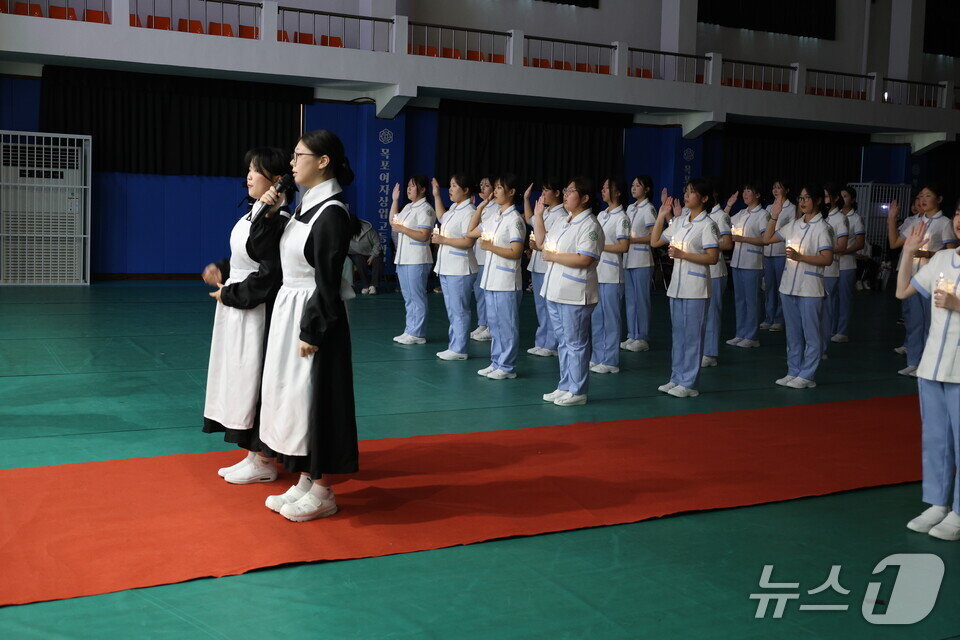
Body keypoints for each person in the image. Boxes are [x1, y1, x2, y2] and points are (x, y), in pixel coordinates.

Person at [253, 129, 360, 522]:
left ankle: (324, 489)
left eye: (300, 156)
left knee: (318, 400)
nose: (292, 163)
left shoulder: (332, 212)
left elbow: (327, 280)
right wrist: (267, 211)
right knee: (293, 398)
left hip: (316, 315)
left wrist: (313, 331)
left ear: (323, 161)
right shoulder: (302, 206)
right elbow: (268, 254)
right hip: (290, 308)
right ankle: (304, 478)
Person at [202, 147, 292, 484]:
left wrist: (232, 293)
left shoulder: (278, 219)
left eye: (257, 170)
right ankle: (252, 454)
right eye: (250, 170)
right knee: (240, 377)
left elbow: (269, 273)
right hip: (236, 309)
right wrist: (221, 269)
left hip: (257, 311)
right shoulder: (252, 214)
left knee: (257, 380)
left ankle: (264, 458)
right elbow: (244, 258)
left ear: (276, 179)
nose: (249, 176)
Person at [895, 215, 960, 541]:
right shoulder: (943, 259)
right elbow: (903, 291)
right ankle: (937, 503)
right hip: (933, 366)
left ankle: (958, 511)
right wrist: (908, 252)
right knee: (936, 440)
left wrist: (958, 304)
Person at [535, 177, 603, 406]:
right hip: (555, 289)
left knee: (576, 343)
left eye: (572, 191)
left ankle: (578, 390)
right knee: (564, 342)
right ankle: (565, 385)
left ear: (584, 198)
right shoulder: (563, 221)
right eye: (566, 190)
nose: (566, 194)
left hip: (575, 292)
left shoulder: (590, 225)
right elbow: (544, 243)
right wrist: (537, 217)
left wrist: (553, 257)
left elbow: (585, 258)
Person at [651, 179, 720, 398]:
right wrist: (662, 215)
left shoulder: (708, 225)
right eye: (686, 191)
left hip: (696, 287)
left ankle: (689, 383)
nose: (687, 195)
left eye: (692, 192)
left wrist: (684, 255)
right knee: (678, 335)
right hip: (678, 287)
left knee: (692, 337)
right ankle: (676, 377)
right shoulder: (680, 222)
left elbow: (713, 257)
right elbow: (655, 242)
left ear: (704, 198)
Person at [761, 185, 834, 389]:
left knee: (811, 334)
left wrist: (801, 257)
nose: (802, 202)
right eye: (800, 198)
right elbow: (767, 239)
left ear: (818, 200)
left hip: (810, 288)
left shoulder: (823, 228)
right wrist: (774, 217)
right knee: (792, 333)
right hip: (788, 287)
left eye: (807, 198)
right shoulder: (794, 224)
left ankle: (808, 374)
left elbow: (827, 259)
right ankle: (793, 371)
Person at [887, 185, 956, 376]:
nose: (923, 199)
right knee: (914, 321)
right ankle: (913, 361)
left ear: (939, 199)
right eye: (920, 196)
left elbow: (951, 252)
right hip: (913, 278)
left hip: (932, 279)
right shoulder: (915, 221)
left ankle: (928, 362)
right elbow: (894, 243)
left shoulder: (945, 222)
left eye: (928, 195)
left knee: (930, 322)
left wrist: (927, 253)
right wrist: (891, 218)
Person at [467, 174, 525, 379]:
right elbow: (471, 231)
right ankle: (496, 361)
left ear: (511, 192)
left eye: (500, 188)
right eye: (496, 188)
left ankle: (507, 366)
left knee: (506, 325)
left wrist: (490, 246)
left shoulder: (515, 220)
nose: (496, 191)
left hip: (506, 281)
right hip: (491, 279)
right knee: (494, 324)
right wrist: (481, 206)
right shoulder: (495, 217)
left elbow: (516, 252)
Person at [431, 174, 479, 360]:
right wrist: (436, 195)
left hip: (460, 268)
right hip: (447, 267)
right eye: (449, 186)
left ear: (465, 190)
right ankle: (454, 345)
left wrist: (444, 240)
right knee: (452, 309)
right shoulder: (454, 208)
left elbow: (468, 241)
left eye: (454, 186)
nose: (450, 189)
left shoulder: (470, 212)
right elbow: (442, 216)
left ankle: (460, 349)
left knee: (459, 309)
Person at [590, 177, 630, 374]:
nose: (604, 190)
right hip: (598, 273)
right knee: (597, 317)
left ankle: (611, 360)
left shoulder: (621, 217)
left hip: (612, 274)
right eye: (603, 187)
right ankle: (597, 355)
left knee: (611, 318)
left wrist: (600, 246)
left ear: (618, 192)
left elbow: (624, 246)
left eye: (608, 187)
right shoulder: (601, 214)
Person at [390, 175, 436, 345]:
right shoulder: (408, 207)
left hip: (417, 258)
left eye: (412, 186)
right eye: (408, 186)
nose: (409, 189)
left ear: (423, 189)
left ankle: (418, 333)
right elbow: (393, 221)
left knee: (417, 296)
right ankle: (410, 329)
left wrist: (403, 228)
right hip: (404, 257)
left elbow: (424, 235)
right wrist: (395, 200)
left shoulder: (426, 209)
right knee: (408, 296)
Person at [524, 178, 565, 357]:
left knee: (550, 307)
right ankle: (542, 341)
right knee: (540, 306)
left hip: (548, 264)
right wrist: (526, 199)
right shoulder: (546, 211)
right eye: (542, 191)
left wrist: (539, 243)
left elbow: (554, 238)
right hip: (538, 263)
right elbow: (530, 220)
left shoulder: (561, 214)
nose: (543, 194)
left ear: (557, 193)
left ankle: (551, 344)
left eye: (547, 190)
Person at [726, 182, 768, 348]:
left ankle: (752, 336)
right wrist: (729, 204)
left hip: (752, 262)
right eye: (744, 191)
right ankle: (740, 333)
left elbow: (765, 239)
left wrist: (743, 239)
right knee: (740, 300)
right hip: (737, 261)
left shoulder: (763, 215)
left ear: (757, 195)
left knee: (752, 300)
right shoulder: (742, 213)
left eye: (749, 191)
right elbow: (723, 222)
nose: (745, 194)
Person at [622, 175, 657, 352]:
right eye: (633, 185)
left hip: (642, 260)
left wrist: (633, 240)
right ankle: (632, 334)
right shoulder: (630, 207)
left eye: (638, 186)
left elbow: (654, 236)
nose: (634, 188)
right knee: (631, 299)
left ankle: (642, 337)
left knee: (641, 299)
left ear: (647, 190)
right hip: (628, 259)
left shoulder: (649, 208)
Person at [702, 178, 733, 367]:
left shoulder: (720, 216)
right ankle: (702, 348)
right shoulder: (699, 217)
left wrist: (707, 244)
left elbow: (728, 243)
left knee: (712, 312)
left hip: (715, 271)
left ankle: (710, 353)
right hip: (701, 271)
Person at [760, 180, 795, 332]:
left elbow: (791, 229)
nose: (776, 190)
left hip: (781, 252)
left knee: (781, 286)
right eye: (774, 187)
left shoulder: (791, 208)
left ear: (786, 190)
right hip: (768, 252)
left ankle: (779, 319)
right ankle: (769, 317)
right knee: (769, 287)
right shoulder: (768, 208)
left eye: (779, 187)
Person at [820, 183, 850, 358]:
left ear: (835, 198)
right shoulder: (819, 217)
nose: (824, 200)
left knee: (826, 309)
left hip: (830, 269)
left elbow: (842, 245)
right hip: (814, 268)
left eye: (826, 196)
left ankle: (822, 346)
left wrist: (822, 249)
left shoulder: (839, 218)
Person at [832, 185, 864, 342]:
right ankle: (831, 328)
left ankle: (842, 331)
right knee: (831, 298)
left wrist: (843, 250)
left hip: (847, 263)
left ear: (852, 199)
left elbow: (860, 243)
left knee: (844, 298)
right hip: (832, 263)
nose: (842, 199)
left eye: (846, 196)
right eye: (840, 196)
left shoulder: (855, 218)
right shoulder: (833, 216)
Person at [470, 176, 499, 342]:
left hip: (488, 256)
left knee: (486, 293)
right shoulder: (480, 207)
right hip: (477, 255)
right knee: (479, 292)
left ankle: (489, 325)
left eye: (487, 185)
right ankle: (482, 323)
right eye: (481, 184)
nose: (483, 187)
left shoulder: (496, 208)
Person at [348, 217, 382, 295]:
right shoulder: (343, 232)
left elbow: (377, 244)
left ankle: (373, 286)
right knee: (358, 259)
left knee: (378, 259)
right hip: (357, 255)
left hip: (372, 254)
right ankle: (365, 286)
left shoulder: (369, 231)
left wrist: (372, 256)